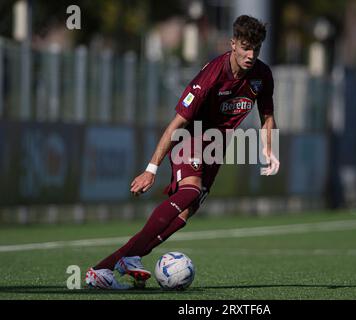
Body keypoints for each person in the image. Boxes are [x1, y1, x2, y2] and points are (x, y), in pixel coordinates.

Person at [85, 14, 280, 289]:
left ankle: (115, 264)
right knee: (189, 192)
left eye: (256, 49)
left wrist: (269, 150)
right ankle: (116, 262)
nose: (251, 55)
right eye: (246, 47)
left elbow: (267, 116)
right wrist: (151, 169)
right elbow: (176, 124)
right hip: (191, 136)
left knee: (185, 214)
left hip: (215, 148)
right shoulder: (211, 75)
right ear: (232, 43)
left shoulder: (262, 75)